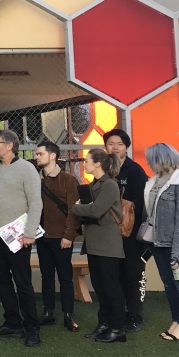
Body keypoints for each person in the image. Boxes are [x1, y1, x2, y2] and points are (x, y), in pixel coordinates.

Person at [0, 129, 43, 347]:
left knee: (22, 281)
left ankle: (32, 327)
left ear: (10, 145)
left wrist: (29, 234)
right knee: (1, 280)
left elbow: (36, 203)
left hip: (17, 235)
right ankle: (12, 323)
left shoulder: (27, 169)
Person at [71, 150, 127, 343]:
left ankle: (118, 327)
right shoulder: (95, 184)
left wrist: (76, 207)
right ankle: (104, 323)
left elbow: (95, 210)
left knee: (111, 287)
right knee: (100, 287)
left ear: (97, 164)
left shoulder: (109, 185)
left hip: (107, 244)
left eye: (87, 161)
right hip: (95, 243)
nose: (84, 164)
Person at [141, 143, 179, 341]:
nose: (149, 163)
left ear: (161, 158)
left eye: (151, 159)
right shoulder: (155, 181)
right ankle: (177, 321)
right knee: (169, 283)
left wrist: (178, 253)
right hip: (157, 242)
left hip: (174, 244)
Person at [104, 129, 149, 332]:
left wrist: (126, 216)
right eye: (111, 143)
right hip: (110, 235)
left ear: (126, 147)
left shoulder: (135, 171)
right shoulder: (104, 168)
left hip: (132, 235)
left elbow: (141, 205)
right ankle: (119, 313)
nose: (114, 147)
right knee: (116, 274)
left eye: (119, 144)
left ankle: (135, 316)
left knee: (134, 275)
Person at [34, 141, 82, 332]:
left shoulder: (68, 180)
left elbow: (74, 210)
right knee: (46, 276)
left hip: (61, 238)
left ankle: (68, 315)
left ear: (53, 156)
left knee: (65, 277)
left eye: (40, 154)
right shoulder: (35, 180)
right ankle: (48, 313)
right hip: (41, 237)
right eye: (36, 154)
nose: (36, 157)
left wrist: (69, 235)